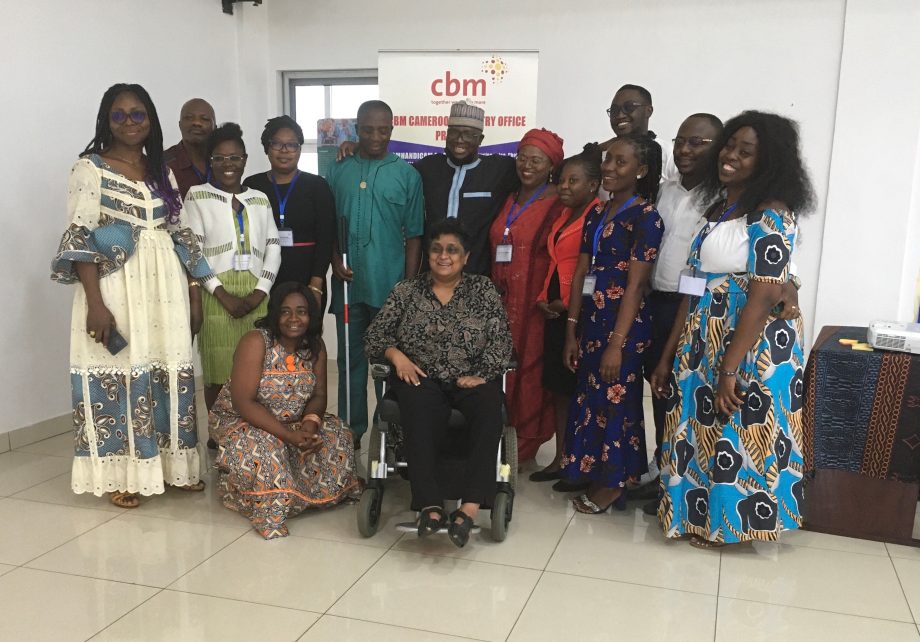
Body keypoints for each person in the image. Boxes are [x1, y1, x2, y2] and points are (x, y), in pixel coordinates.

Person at [651, 111, 814, 548]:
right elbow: (692, 285)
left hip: (749, 342)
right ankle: (698, 518)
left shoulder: (773, 214)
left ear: (769, 162)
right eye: (730, 146)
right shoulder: (720, 209)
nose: (731, 156)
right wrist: (668, 356)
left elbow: (765, 294)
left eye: (747, 152)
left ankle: (735, 527)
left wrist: (729, 367)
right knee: (701, 430)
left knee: (736, 429)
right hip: (704, 335)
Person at [51, 83, 212, 508]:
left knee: (166, 365)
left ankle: (174, 469)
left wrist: (195, 291)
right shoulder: (90, 168)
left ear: (151, 120)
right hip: (115, 285)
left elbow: (180, 232)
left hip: (166, 286)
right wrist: (95, 303)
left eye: (137, 114)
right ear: (106, 120)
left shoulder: (162, 169)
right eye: (119, 115)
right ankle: (123, 472)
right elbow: (81, 236)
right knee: (122, 368)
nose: (128, 122)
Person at [365, 219, 513, 548]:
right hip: (420, 375)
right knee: (416, 408)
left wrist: (483, 373)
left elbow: (501, 341)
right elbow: (375, 336)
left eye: (452, 250)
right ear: (427, 255)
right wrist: (397, 356)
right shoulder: (407, 290)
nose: (443, 256)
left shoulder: (483, 290)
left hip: (469, 376)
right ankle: (430, 507)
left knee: (490, 407)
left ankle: (470, 509)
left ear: (465, 256)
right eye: (436, 249)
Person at [560, 134, 664, 512]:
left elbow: (636, 285)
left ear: (641, 170)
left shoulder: (646, 217)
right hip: (591, 321)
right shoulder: (595, 213)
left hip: (625, 326)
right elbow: (581, 271)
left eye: (620, 162)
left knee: (616, 400)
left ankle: (614, 483)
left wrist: (617, 344)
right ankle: (594, 470)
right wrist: (571, 329)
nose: (609, 168)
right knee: (590, 397)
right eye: (607, 160)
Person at [210, 282, 360, 539]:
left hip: (294, 421)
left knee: (338, 435)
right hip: (244, 421)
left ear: (311, 316)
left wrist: (310, 425)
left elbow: (319, 394)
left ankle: (304, 492)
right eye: (285, 311)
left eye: (301, 311)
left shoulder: (315, 346)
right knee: (267, 451)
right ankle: (259, 500)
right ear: (275, 314)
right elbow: (244, 403)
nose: (294, 319)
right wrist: (288, 436)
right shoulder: (256, 341)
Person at [327, 100, 424, 449]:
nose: (375, 136)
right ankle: (350, 435)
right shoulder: (338, 169)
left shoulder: (407, 175)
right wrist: (333, 260)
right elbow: (327, 224)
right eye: (367, 129)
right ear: (356, 128)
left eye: (383, 129)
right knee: (350, 361)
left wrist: (409, 287)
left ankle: (390, 436)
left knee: (388, 365)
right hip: (349, 286)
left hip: (390, 287)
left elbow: (415, 235)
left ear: (392, 130)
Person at [184, 122, 281, 411]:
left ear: (245, 160)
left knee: (257, 369)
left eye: (235, 158)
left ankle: (250, 430)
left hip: (256, 295)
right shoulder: (197, 196)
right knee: (217, 372)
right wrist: (221, 294)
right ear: (210, 162)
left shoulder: (259, 199)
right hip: (216, 295)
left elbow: (273, 247)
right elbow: (193, 251)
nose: (228, 165)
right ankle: (219, 434)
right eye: (220, 158)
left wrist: (260, 292)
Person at [488, 128, 565, 462]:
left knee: (529, 371)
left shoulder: (559, 203)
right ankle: (495, 434)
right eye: (522, 157)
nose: (527, 165)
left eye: (537, 159)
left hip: (535, 304)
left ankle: (526, 442)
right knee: (498, 368)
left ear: (551, 165)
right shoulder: (507, 194)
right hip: (499, 301)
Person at [529, 144, 602, 482]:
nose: (565, 187)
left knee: (580, 392)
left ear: (593, 185)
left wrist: (571, 305)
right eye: (561, 180)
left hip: (583, 315)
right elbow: (557, 263)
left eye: (574, 181)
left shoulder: (598, 216)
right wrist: (546, 297)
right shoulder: (562, 214)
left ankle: (581, 464)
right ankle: (561, 457)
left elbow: (592, 274)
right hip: (556, 313)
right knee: (559, 389)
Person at [414, 101, 519, 275]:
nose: (459, 139)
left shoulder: (499, 170)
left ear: (480, 139)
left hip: (476, 275)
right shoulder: (428, 167)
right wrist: (357, 149)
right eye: (454, 132)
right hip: (432, 275)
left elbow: (534, 170)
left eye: (468, 134)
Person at [243, 116, 336, 305]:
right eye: (277, 144)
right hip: (262, 280)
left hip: (307, 277)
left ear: (299, 149)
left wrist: (316, 284)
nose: (284, 151)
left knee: (304, 332)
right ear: (267, 148)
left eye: (292, 145)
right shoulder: (252, 185)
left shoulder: (317, 186)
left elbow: (326, 238)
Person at [598, 84, 675, 189]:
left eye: (629, 107)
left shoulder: (667, 153)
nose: (620, 115)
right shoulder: (602, 153)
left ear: (648, 111)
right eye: (614, 110)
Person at [165, 98, 216, 198]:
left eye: (204, 119)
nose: (196, 123)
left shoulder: (223, 162)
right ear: (180, 125)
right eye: (189, 118)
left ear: (215, 127)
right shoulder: (163, 164)